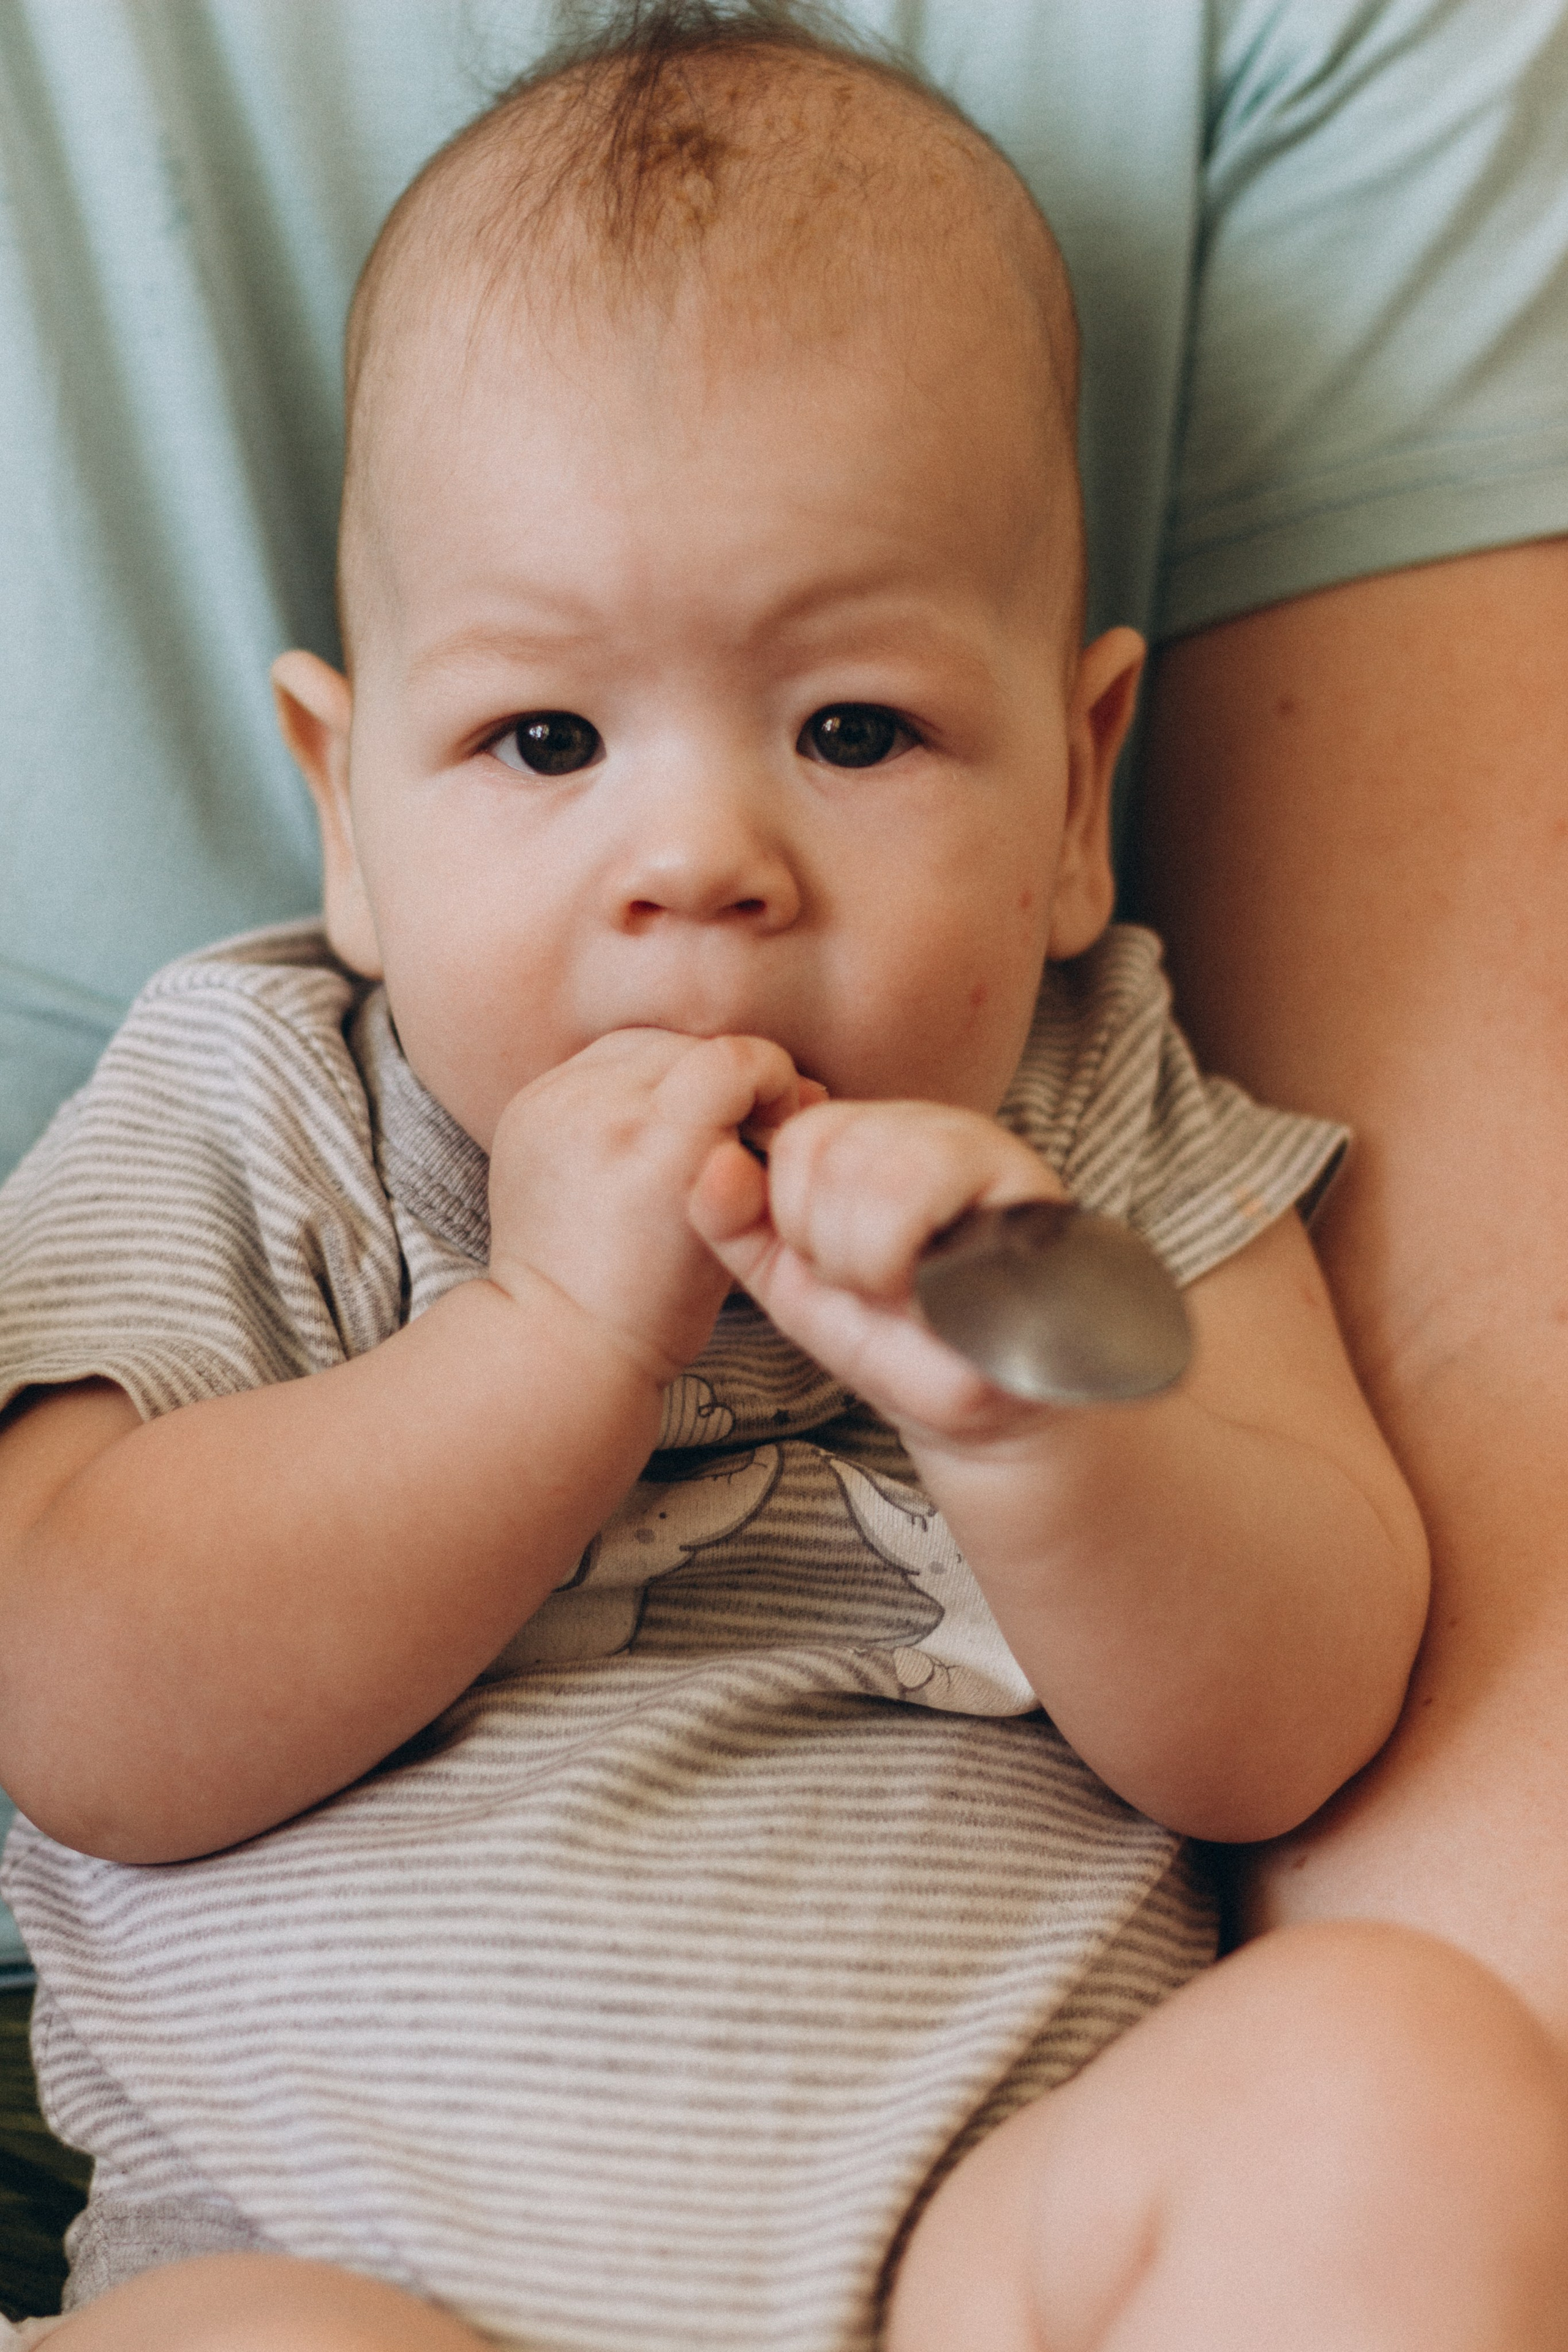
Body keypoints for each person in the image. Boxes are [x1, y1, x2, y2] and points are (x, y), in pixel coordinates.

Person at [4, 12, 1568, 2348]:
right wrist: (542, 1350)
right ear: (344, 805)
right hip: (352, 2281)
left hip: (980, 2272)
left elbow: (1304, 1707)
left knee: (1403, 2083)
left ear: (1071, 792)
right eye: (542, 738)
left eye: (855, 731)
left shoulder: (1089, 1125)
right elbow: (77, 1706)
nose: (700, 863)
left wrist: (1037, 1405)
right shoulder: (258, 1102)